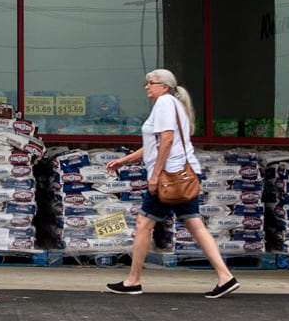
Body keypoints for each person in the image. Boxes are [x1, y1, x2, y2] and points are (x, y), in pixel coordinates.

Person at [102, 68, 239, 299]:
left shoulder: (164, 103)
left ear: (164, 87)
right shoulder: (173, 104)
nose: (147, 86)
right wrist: (125, 160)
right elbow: (155, 143)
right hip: (184, 175)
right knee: (195, 224)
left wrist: (155, 175)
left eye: (151, 83)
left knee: (144, 223)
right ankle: (225, 276)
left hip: (169, 177)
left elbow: (166, 140)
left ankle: (133, 280)